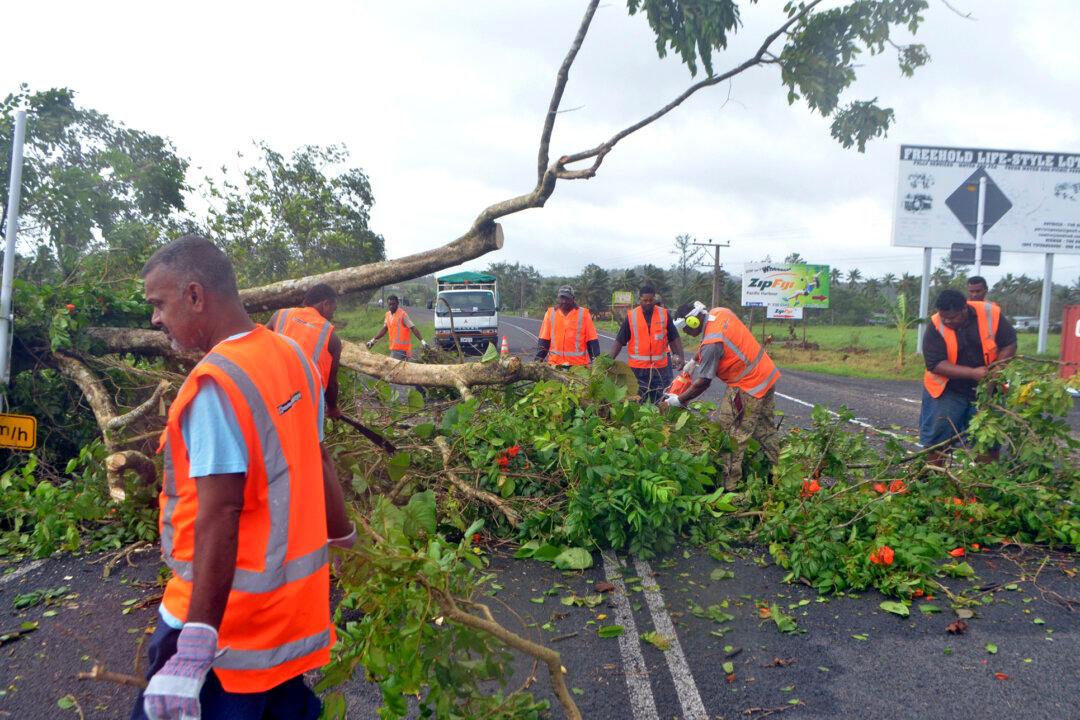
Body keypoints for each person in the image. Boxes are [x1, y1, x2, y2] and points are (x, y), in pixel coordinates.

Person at [135, 235, 353, 720]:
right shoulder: (293, 356)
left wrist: (194, 644)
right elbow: (318, 460)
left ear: (195, 296)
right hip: (283, 626)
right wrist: (346, 538)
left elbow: (220, 511)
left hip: (222, 631)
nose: (155, 319)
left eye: (159, 304)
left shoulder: (217, 384)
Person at [663, 301, 781, 489]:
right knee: (764, 430)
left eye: (686, 329)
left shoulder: (712, 343)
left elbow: (703, 382)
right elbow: (711, 337)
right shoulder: (719, 313)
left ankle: (729, 486)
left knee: (731, 434)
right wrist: (693, 361)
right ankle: (778, 477)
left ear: (694, 321)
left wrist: (679, 399)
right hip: (766, 376)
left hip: (747, 387)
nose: (685, 333)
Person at [920, 289, 1016, 451]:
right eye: (944, 317)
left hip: (987, 390)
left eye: (952, 318)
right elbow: (935, 364)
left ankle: (985, 476)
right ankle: (931, 474)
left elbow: (1009, 342)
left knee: (987, 442)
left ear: (964, 309)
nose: (947, 321)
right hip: (948, 390)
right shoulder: (935, 325)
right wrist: (972, 373)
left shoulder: (990, 313)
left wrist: (997, 370)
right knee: (936, 442)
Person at [267, 283, 343, 419]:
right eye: (333, 309)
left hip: (273, 394)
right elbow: (331, 384)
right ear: (326, 304)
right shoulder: (331, 338)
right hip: (306, 405)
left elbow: (258, 342)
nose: (333, 315)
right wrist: (333, 408)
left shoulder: (280, 315)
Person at [608, 284, 686, 403]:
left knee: (661, 401)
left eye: (651, 300)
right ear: (639, 300)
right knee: (638, 402)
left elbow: (674, 337)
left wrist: (680, 356)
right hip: (637, 370)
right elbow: (619, 341)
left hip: (660, 369)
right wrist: (608, 361)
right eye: (645, 300)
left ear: (654, 299)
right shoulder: (631, 316)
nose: (648, 303)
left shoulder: (664, 315)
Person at [535, 285, 600, 365]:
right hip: (555, 365)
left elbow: (592, 342)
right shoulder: (550, 314)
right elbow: (544, 342)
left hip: (577, 367)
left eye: (567, 298)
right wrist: (536, 363)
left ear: (573, 299)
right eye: (562, 298)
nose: (564, 301)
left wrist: (597, 364)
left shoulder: (584, 315)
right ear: (558, 298)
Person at [367, 294, 427, 359]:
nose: (391, 306)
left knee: (390, 367)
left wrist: (422, 341)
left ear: (397, 303)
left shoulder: (402, 314)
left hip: (401, 350)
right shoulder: (388, 315)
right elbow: (384, 329)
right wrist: (373, 341)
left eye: (393, 304)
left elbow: (413, 327)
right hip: (394, 348)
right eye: (390, 304)